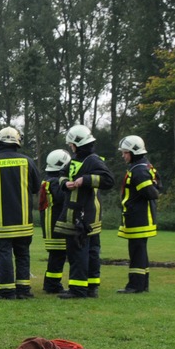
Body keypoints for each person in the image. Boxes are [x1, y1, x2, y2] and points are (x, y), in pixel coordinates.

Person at [0, 127, 42, 300]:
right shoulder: (27, 162)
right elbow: (36, 187)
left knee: (4, 254)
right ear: (17, 142)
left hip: (1, 221)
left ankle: (6, 291)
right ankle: (24, 290)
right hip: (24, 219)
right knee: (23, 253)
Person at [54, 124, 114, 299]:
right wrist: (65, 183)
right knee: (91, 250)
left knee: (78, 249)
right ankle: (91, 287)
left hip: (83, 214)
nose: (70, 147)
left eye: (71, 144)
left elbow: (109, 180)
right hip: (85, 213)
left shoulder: (93, 160)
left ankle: (78, 289)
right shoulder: (75, 160)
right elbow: (62, 173)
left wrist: (85, 180)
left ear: (76, 144)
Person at [117, 135, 160, 293]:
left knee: (137, 251)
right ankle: (142, 284)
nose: (123, 156)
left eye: (125, 152)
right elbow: (156, 186)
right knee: (139, 250)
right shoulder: (143, 166)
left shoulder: (139, 170)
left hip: (139, 217)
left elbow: (151, 193)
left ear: (134, 152)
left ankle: (136, 285)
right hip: (139, 216)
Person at [40, 149, 72, 294]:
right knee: (58, 256)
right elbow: (62, 198)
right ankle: (52, 285)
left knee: (57, 255)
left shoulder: (48, 180)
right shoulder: (54, 182)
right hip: (54, 223)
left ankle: (51, 283)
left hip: (51, 222)